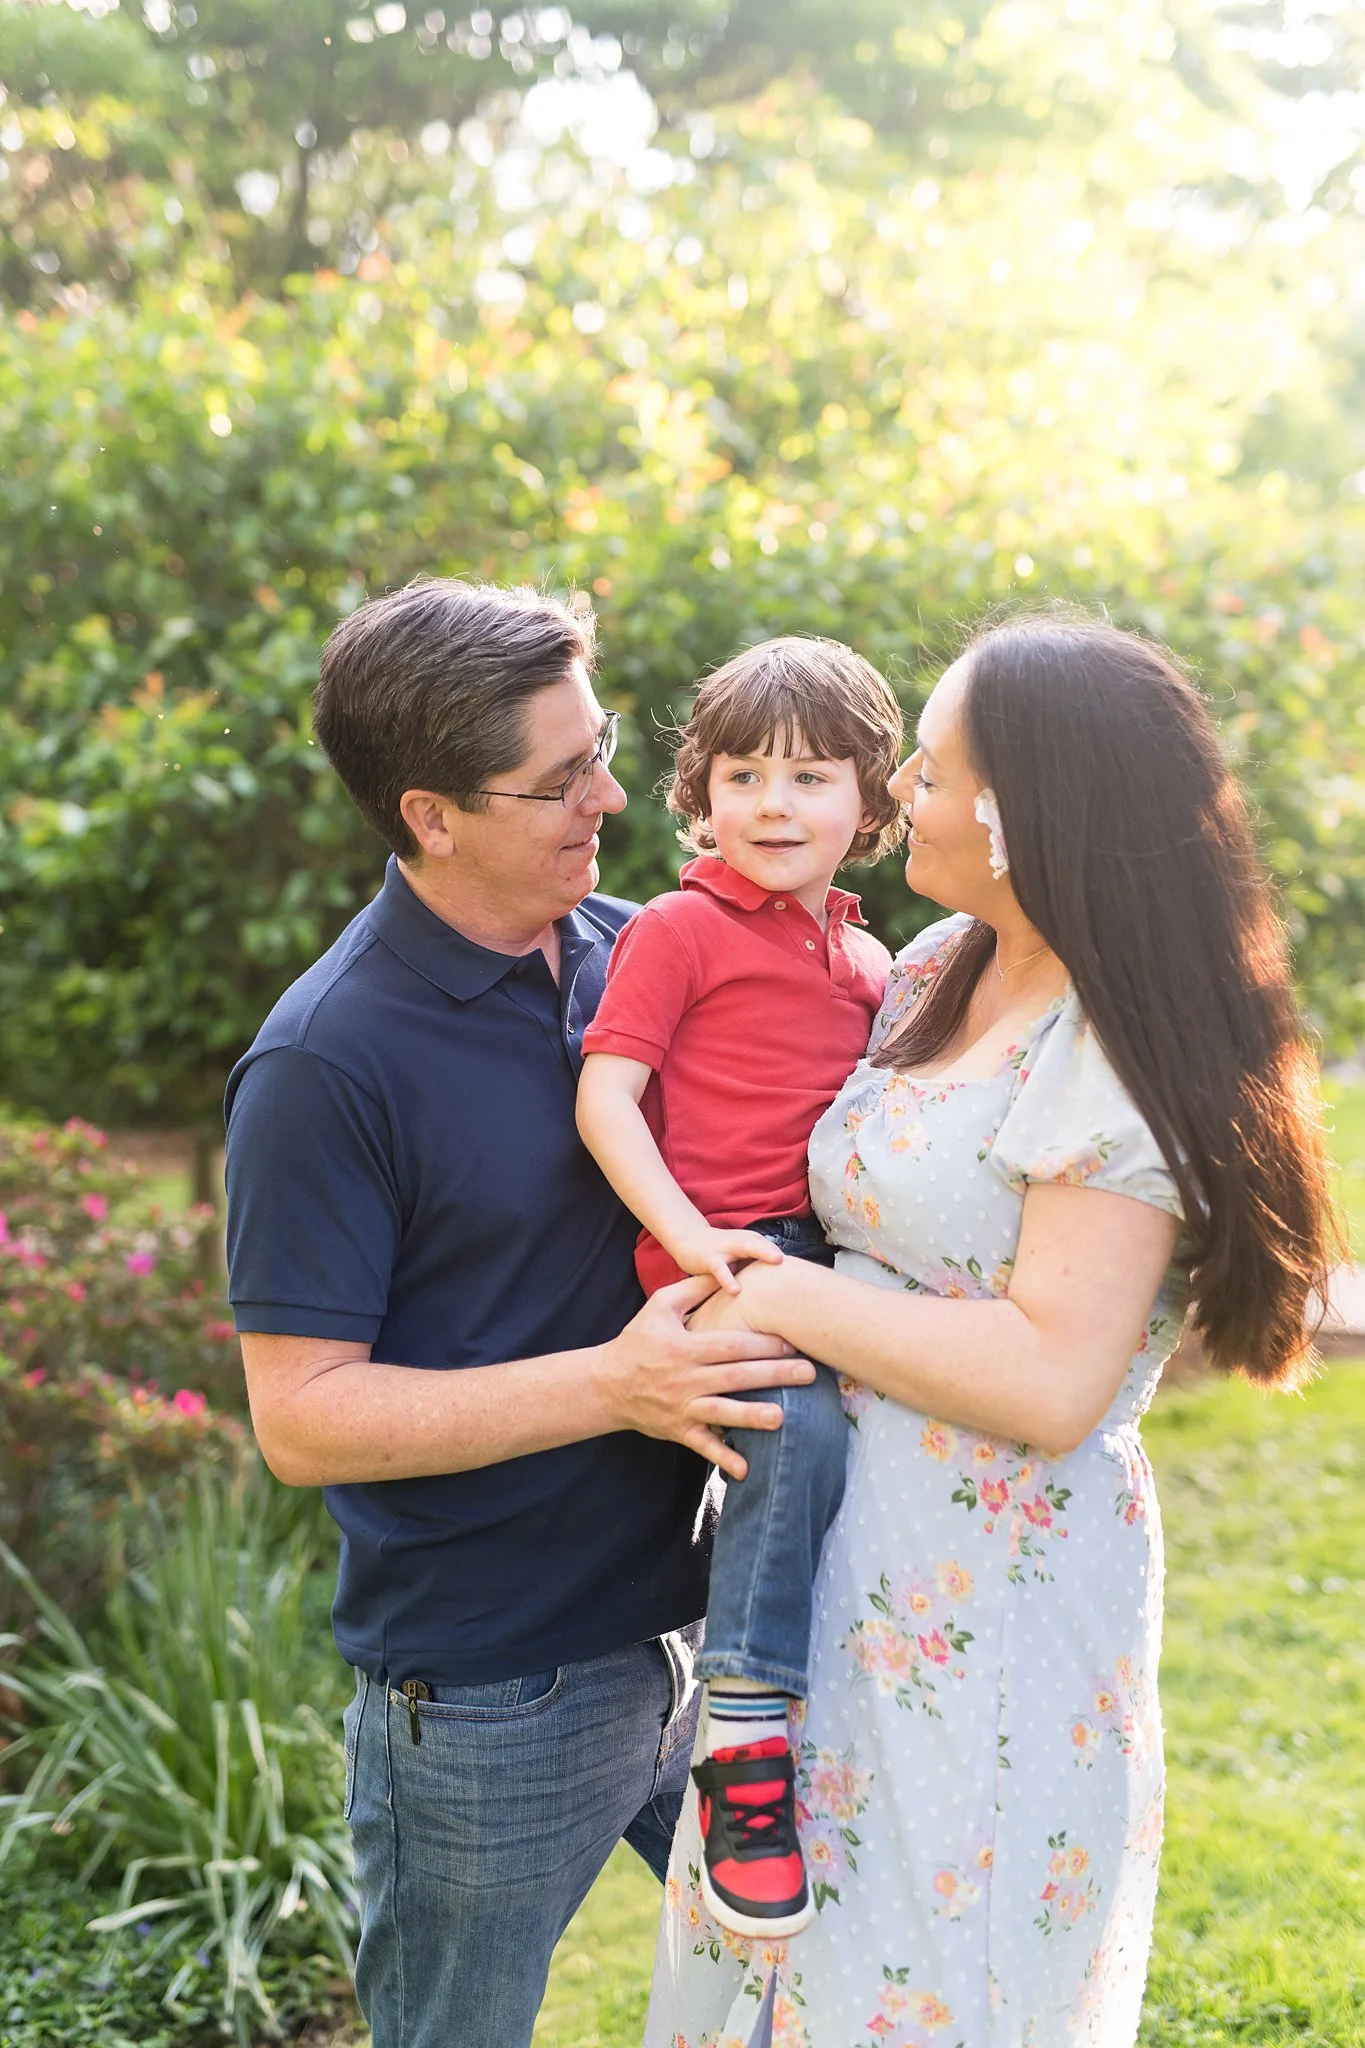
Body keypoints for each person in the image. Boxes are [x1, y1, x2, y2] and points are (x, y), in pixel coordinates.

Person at [647, 611, 1337, 2048]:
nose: (899, 789)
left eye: (937, 771)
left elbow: (1048, 1381)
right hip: (821, 1566)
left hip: (990, 1599)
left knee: (927, 1981)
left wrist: (772, 1296)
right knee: (777, 1984)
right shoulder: (933, 967)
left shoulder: (1111, 1052)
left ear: (1028, 817)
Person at [221, 578, 815, 2048]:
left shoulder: (639, 951)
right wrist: (618, 1385)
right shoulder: (324, 1062)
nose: (613, 791)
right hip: (491, 1696)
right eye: (561, 780)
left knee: (821, 1991)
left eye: (600, 743)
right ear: (429, 813)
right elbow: (302, 1419)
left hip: (706, 1641)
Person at [576, 638, 903, 1941]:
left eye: (812, 775)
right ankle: (746, 1726)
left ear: (870, 810)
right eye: (743, 774)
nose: (774, 804)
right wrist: (694, 1242)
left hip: (832, 1257)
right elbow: (607, 1100)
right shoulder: (677, 930)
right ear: (695, 800)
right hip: (719, 1251)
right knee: (797, 1423)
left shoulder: (879, 966)